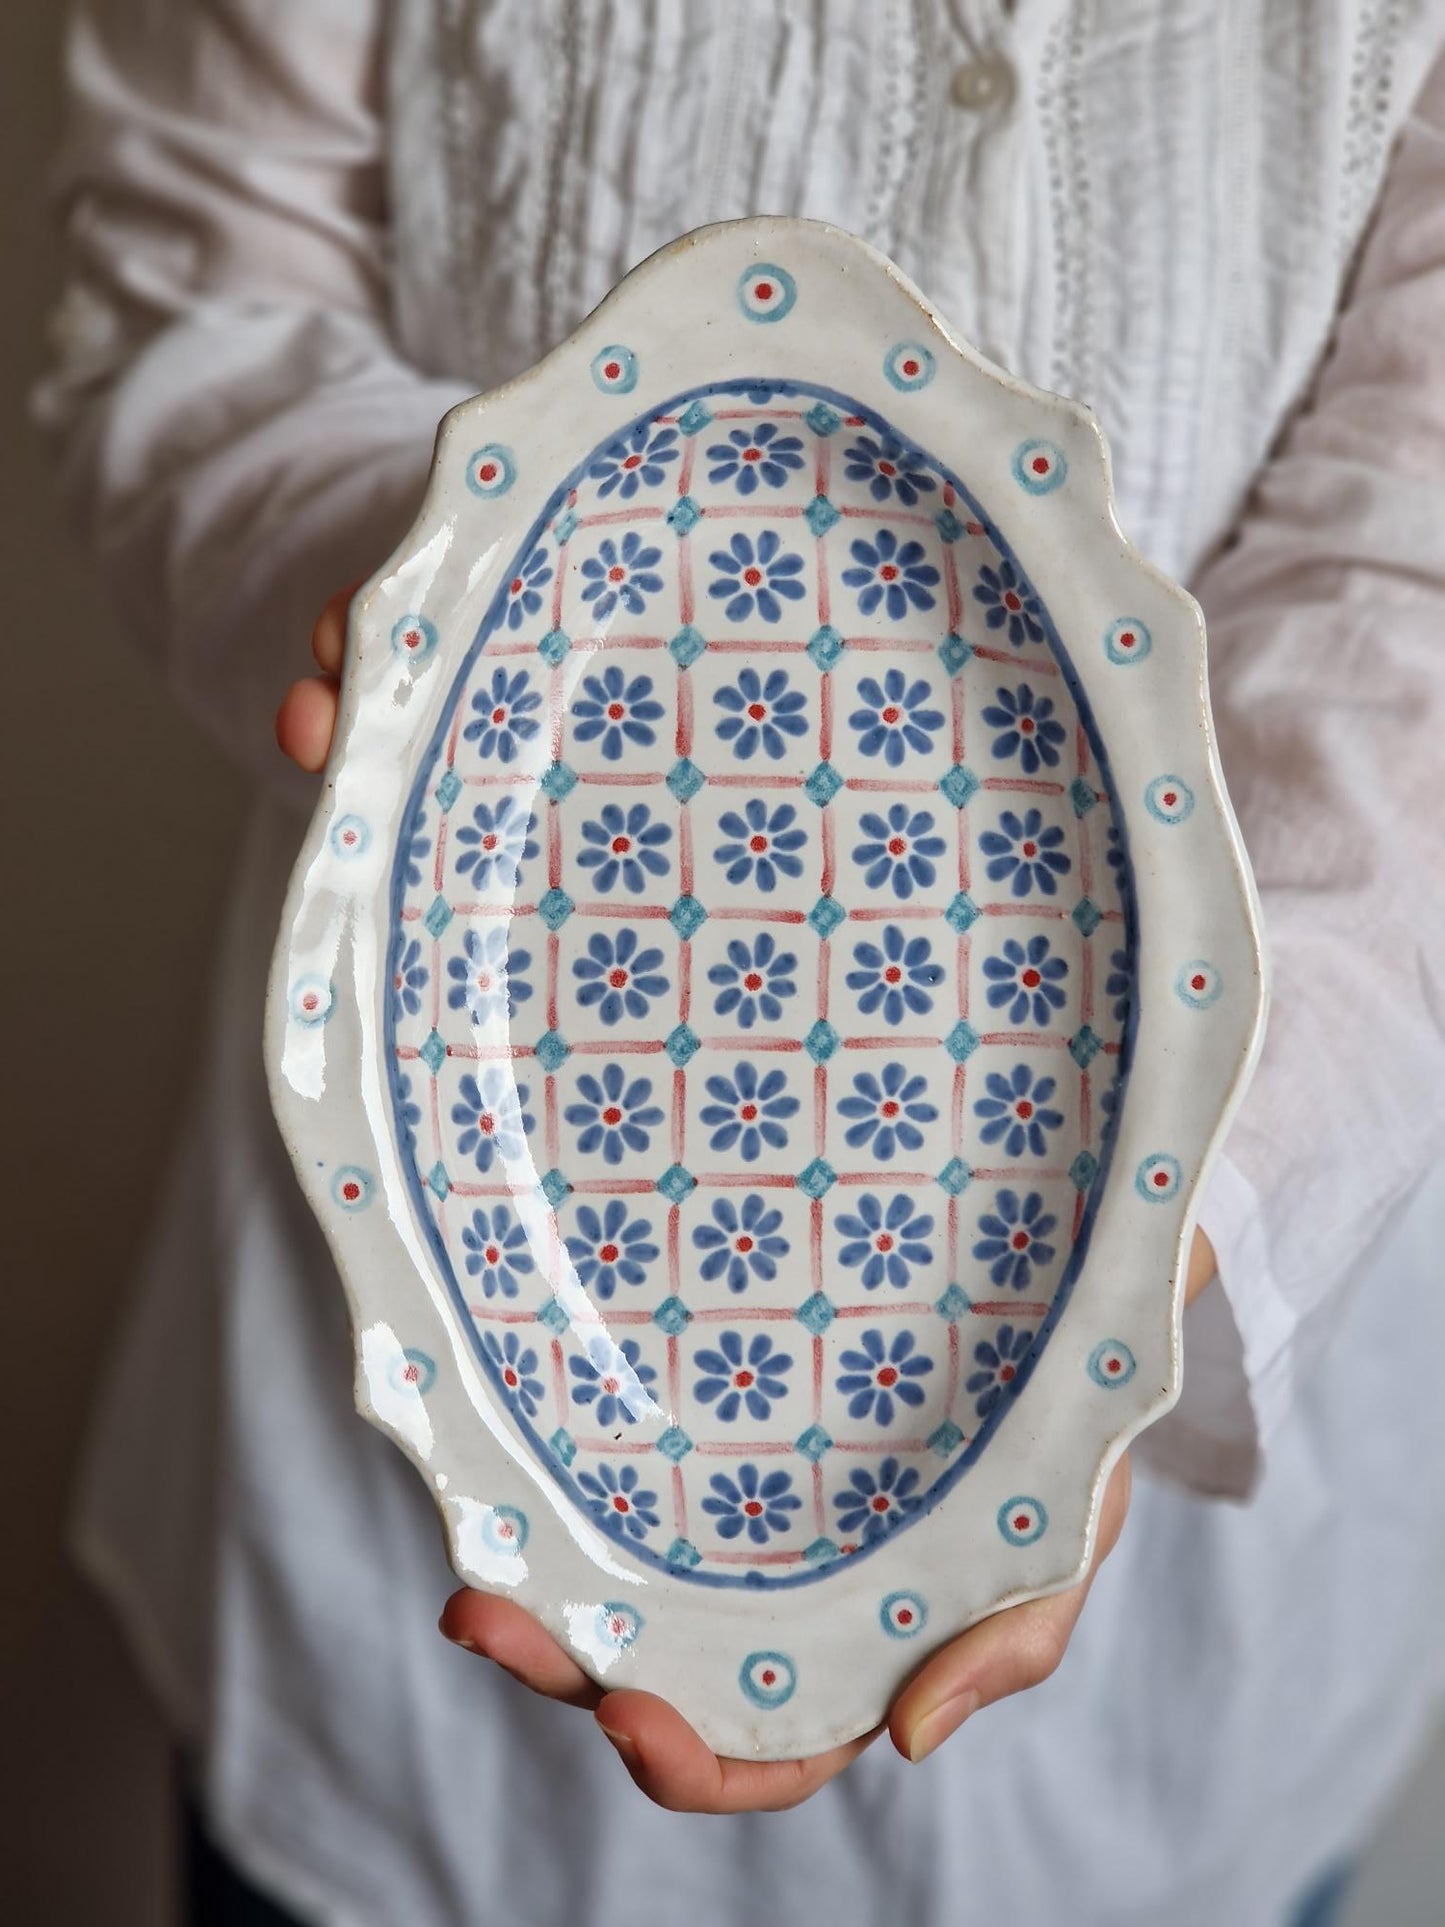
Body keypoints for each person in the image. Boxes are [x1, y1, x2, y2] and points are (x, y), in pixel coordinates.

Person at [32, 4, 1445, 1924]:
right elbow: (192, 296)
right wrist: (454, 598)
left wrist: (1150, 1229)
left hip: (1186, 1698)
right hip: (408, 1542)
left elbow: (1412, 565)